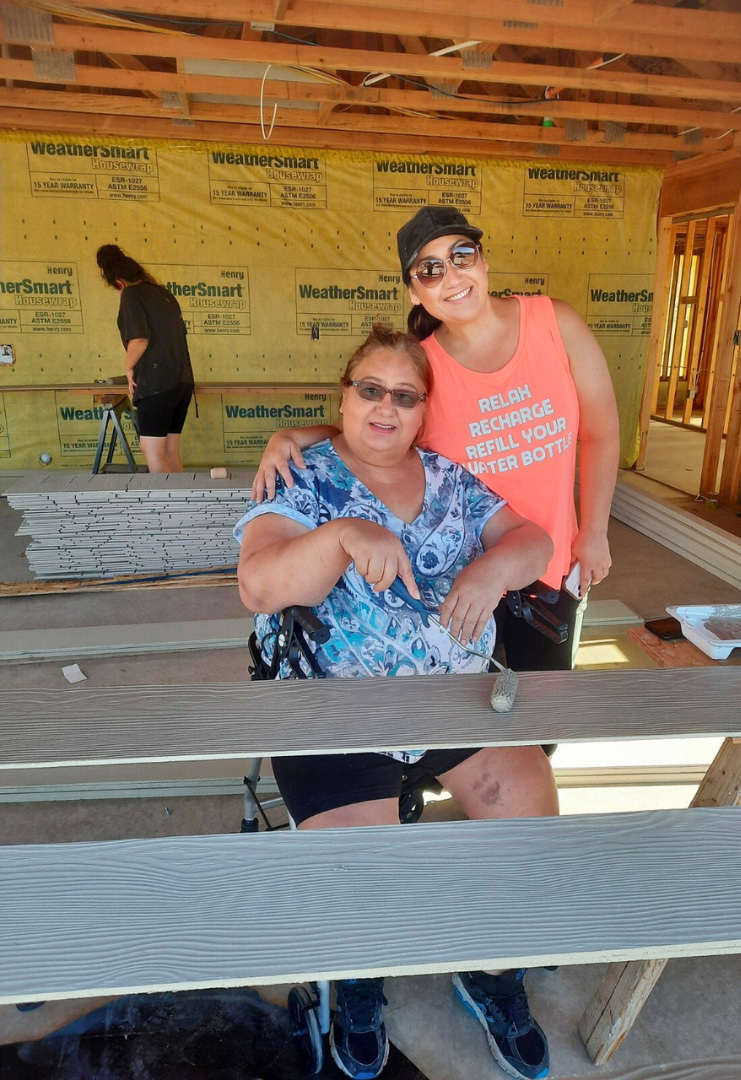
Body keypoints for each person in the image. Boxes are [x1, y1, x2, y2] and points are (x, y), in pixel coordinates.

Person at [236, 324, 556, 1080]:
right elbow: (260, 584)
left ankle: (491, 970)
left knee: (530, 813)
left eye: (405, 396)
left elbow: (534, 540)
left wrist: (490, 573)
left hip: (451, 702)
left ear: (423, 411)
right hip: (331, 708)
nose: (386, 407)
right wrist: (343, 535)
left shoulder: (449, 479)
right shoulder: (301, 476)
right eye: (370, 390)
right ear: (343, 398)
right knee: (362, 872)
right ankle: (358, 979)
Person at [251, 205, 620, 676]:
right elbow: (373, 434)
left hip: (547, 568)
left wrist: (594, 532)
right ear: (414, 291)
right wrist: (294, 437)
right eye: (431, 269)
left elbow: (602, 431)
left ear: (484, 263)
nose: (452, 276)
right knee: (467, 717)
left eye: (462, 255)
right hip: (454, 578)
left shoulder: (554, 323)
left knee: (542, 720)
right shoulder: (421, 370)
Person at [96, 244, 195, 473]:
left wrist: (128, 367)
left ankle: (168, 506)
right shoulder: (163, 293)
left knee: (152, 450)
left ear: (118, 283)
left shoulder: (132, 294)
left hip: (157, 383)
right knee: (170, 451)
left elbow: (139, 340)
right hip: (182, 382)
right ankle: (182, 505)